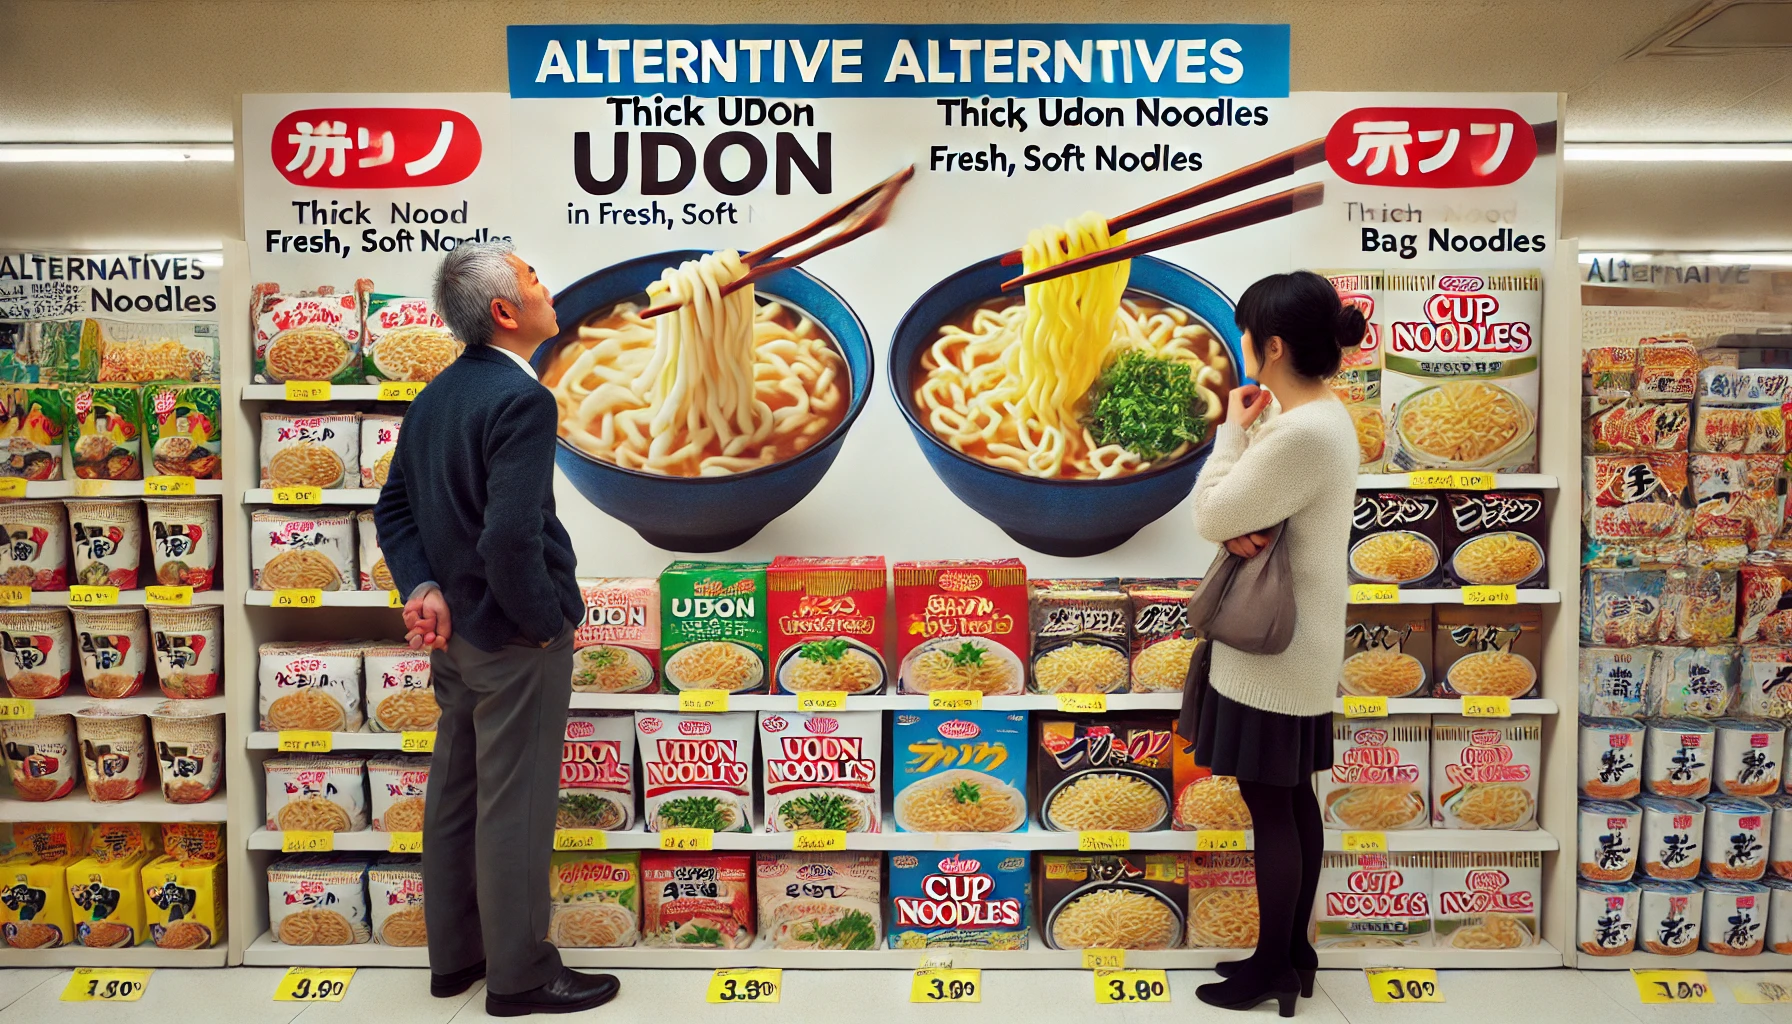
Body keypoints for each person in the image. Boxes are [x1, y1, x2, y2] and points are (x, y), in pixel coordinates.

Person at [374, 241, 619, 1018]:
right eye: (537, 279)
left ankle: (455, 961)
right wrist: (544, 625)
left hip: (459, 640)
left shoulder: (436, 395)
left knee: (457, 793)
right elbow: (511, 538)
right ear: (507, 313)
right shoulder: (523, 399)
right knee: (515, 807)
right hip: (514, 639)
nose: (550, 288)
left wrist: (425, 585)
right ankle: (520, 976)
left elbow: (395, 511)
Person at [1185, 271, 1364, 1017]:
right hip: (1300, 639)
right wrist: (1237, 514)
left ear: (1275, 344)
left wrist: (1231, 430)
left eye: (1247, 333)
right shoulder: (1323, 417)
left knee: (1271, 803)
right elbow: (1244, 514)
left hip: (1274, 650)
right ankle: (1293, 952)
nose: (1243, 346)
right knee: (1292, 798)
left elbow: (1210, 511)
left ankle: (1270, 969)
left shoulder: (1299, 434)